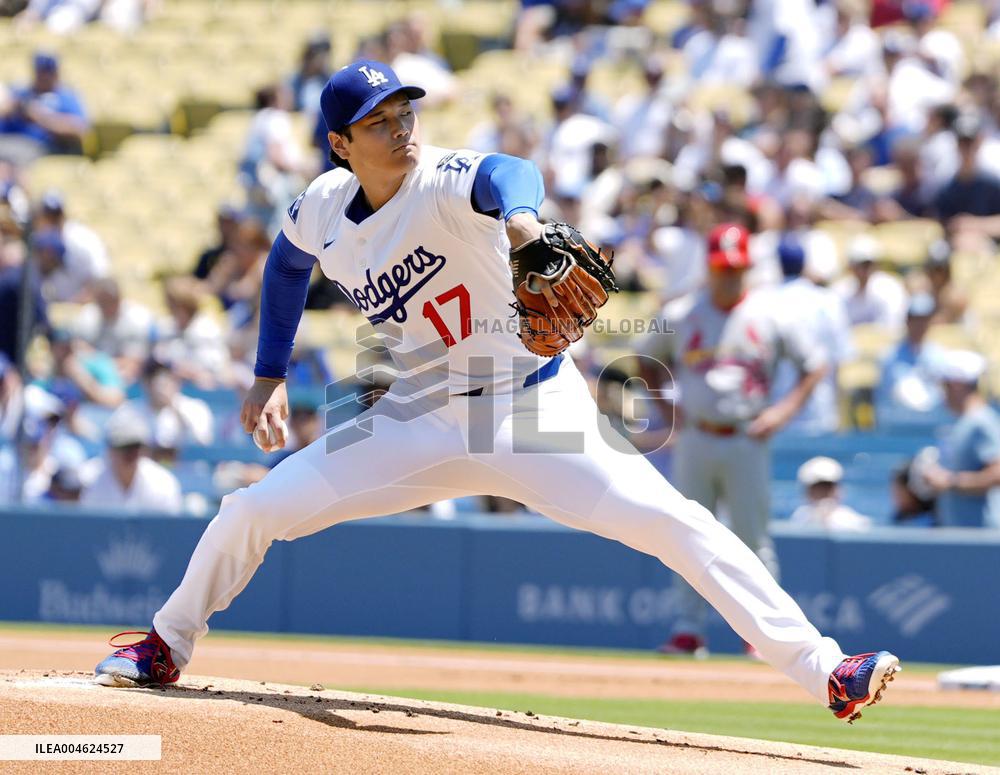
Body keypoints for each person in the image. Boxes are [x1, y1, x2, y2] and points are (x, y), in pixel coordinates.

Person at [94, 60, 898, 724]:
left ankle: (828, 669)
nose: (402, 126)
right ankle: (166, 641)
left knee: (677, 523)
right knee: (253, 508)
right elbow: (285, 264)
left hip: (534, 410)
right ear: (340, 144)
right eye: (379, 121)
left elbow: (508, 172)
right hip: (419, 414)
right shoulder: (324, 205)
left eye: (404, 109)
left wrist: (520, 221)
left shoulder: (443, 177)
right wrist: (269, 370)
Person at [638, 224, 829, 657]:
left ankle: (765, 636)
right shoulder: (684, 312)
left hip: (746, 436)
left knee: (753, 538)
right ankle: (689, 630)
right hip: (697, 437)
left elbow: (816, 365)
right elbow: (646, 361)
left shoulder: (769, 314)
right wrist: (670, 414)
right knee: (684, 535)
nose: (729, 277)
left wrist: (781, 412)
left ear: (747, 267)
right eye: (723, 268)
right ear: (709, 266)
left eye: (736, 268)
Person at [771, 238, 853, 435]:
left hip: (777, 410)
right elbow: (839, 359)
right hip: (821, 409)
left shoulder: (764, 300)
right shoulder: (828, 301)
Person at [920, 350, 1000, 528]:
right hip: (961, 533)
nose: (943, 392)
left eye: (945, 385)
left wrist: (949, 481)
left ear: (956, 385)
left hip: (981, 536)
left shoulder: (982, 422)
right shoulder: (961, 422)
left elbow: (997, 474)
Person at [80, 406, 182, 514]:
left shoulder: (163, 484)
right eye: (124, 447)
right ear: (110, 450)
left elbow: (169, 527)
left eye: (136, 447)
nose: (131, 454)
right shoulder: (88, 479)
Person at [0, 52, 89, 164]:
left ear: (56, 73)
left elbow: (79, 129)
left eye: (48, 72)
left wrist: (38, 116)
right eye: (40, 71)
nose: (44, 76)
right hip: (10, 140)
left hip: (42, 146)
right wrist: (10, 109)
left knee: (15, 154)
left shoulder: (65, 97)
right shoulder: (21, 92)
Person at [875, 293, 945, 418]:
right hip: (899, 422)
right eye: (915, 320)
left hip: (931, 421)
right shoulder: (889, 356)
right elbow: (885, 397)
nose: (919, 325)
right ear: (907, 321)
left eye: (923, 320)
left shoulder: (940, 356)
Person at [833, 235, 907, 329]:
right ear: (851, 267)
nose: (863, 270)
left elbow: (892, 326)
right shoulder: (839, 291)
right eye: (858, 265)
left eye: (867, 264)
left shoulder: (890, 289)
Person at [790, 457, 872, 531]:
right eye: (817, 488)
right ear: (807, 492)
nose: (823, 493)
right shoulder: (800, 515)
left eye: (828, 487)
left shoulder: (851, 520)